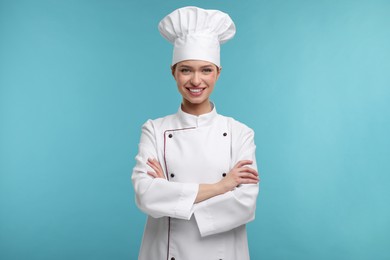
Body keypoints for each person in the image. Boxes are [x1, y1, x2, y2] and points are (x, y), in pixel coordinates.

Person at [132, 6, 260, 260]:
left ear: (218, 73)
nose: (196, 81)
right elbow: (145, 194)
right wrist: (222, 186)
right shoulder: (154, 130)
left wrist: (170, 193)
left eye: (206, 70)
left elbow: (245, 203)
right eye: (186, 69)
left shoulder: (240, 133)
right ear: (173, 72)